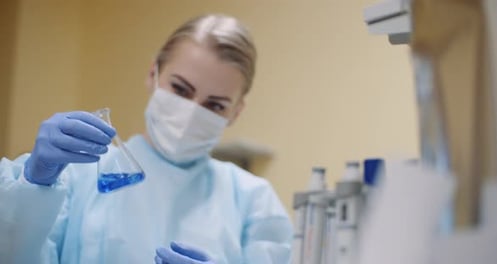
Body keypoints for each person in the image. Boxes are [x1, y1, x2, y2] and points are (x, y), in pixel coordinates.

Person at [0, 14, 292, 263]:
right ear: (153, 73)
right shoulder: (76, 175)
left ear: (235, 112)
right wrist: (34, 186)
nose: (191, 113)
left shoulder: (254, 201)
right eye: (180, 89)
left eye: (214, 105)